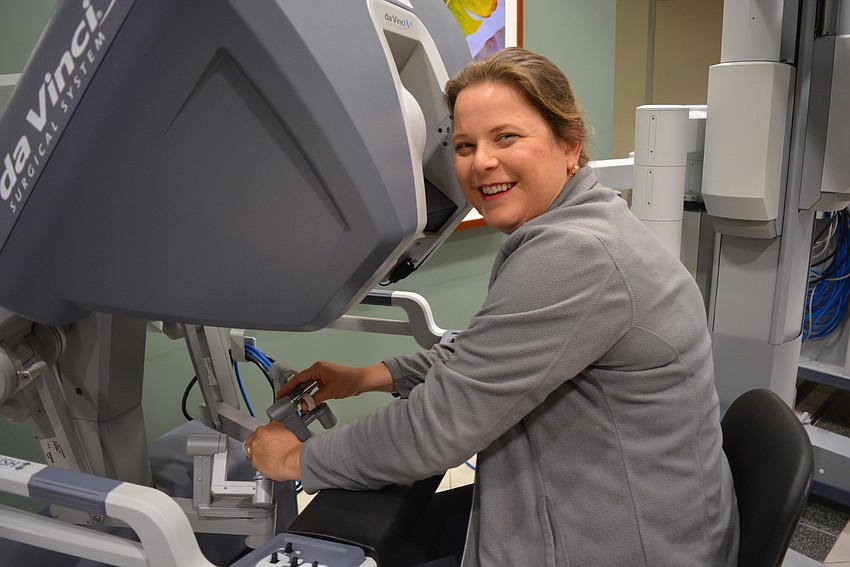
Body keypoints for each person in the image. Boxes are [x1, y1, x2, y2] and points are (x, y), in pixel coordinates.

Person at [245, 47, 740, 566]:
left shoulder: (576, 255)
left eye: (506, 137)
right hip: (620, 509)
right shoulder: (582, 225)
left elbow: (438, 429)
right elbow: (485, 358)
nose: (481, 162)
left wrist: (300, 457)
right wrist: (368, 376)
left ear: (570, 145)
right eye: (464, 145)